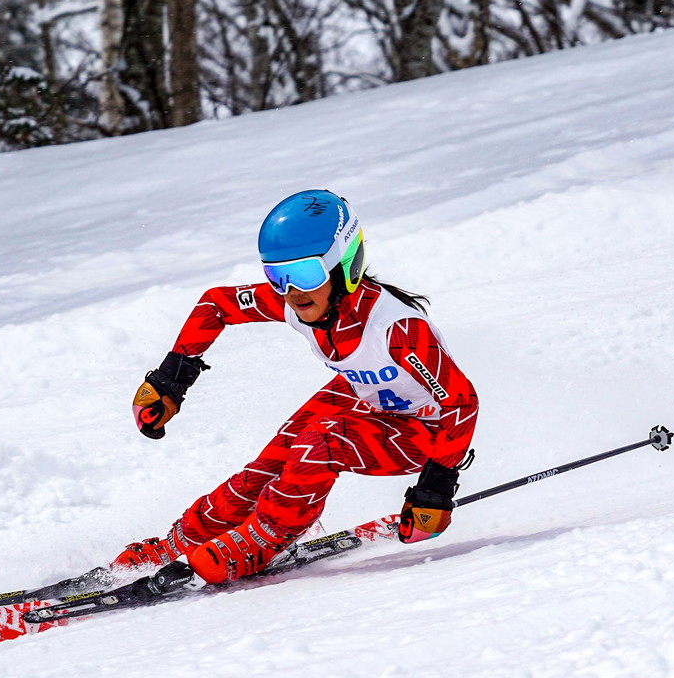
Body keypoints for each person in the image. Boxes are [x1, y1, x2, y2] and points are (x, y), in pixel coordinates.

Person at [113, 190, 478, 586]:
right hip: (365, 396)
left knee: (320, 442)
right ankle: (182, 540)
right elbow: (216, 305)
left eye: (305, 274)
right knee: (270, 462)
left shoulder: (399, 330)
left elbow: (462, 403)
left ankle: (266, 537)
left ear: (345, 265)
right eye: (278, 276)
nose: (292, 291)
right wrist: (170, 379)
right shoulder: (295, 301)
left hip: (427, 433)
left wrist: (434, 490)